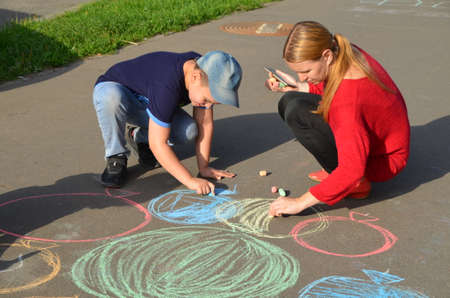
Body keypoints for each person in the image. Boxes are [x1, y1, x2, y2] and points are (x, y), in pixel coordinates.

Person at [265, 21, 410, 217]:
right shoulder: (342, 50)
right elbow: (331, 87)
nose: (302, 77)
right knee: (289, 100)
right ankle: (335, 171)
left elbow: (352, 170)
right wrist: (298, 87)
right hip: (379, 139)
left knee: (296, 112)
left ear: (326, 55)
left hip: (382, 161)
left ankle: (357, 185)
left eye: (306, 71)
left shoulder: (347, 101)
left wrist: (299, 202)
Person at [93, 50, 242, 194]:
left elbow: (205, 124)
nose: (207, 106)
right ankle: (116, 156)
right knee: (110, 98)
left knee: (189, 130)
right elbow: (158, 144)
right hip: (119, 93)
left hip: (151, 100)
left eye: (212, 103)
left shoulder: (205, 69)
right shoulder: (167, 85)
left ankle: (138, 136)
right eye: (206, 100)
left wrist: (204, 168)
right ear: (195, 77)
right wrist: (190, 180)